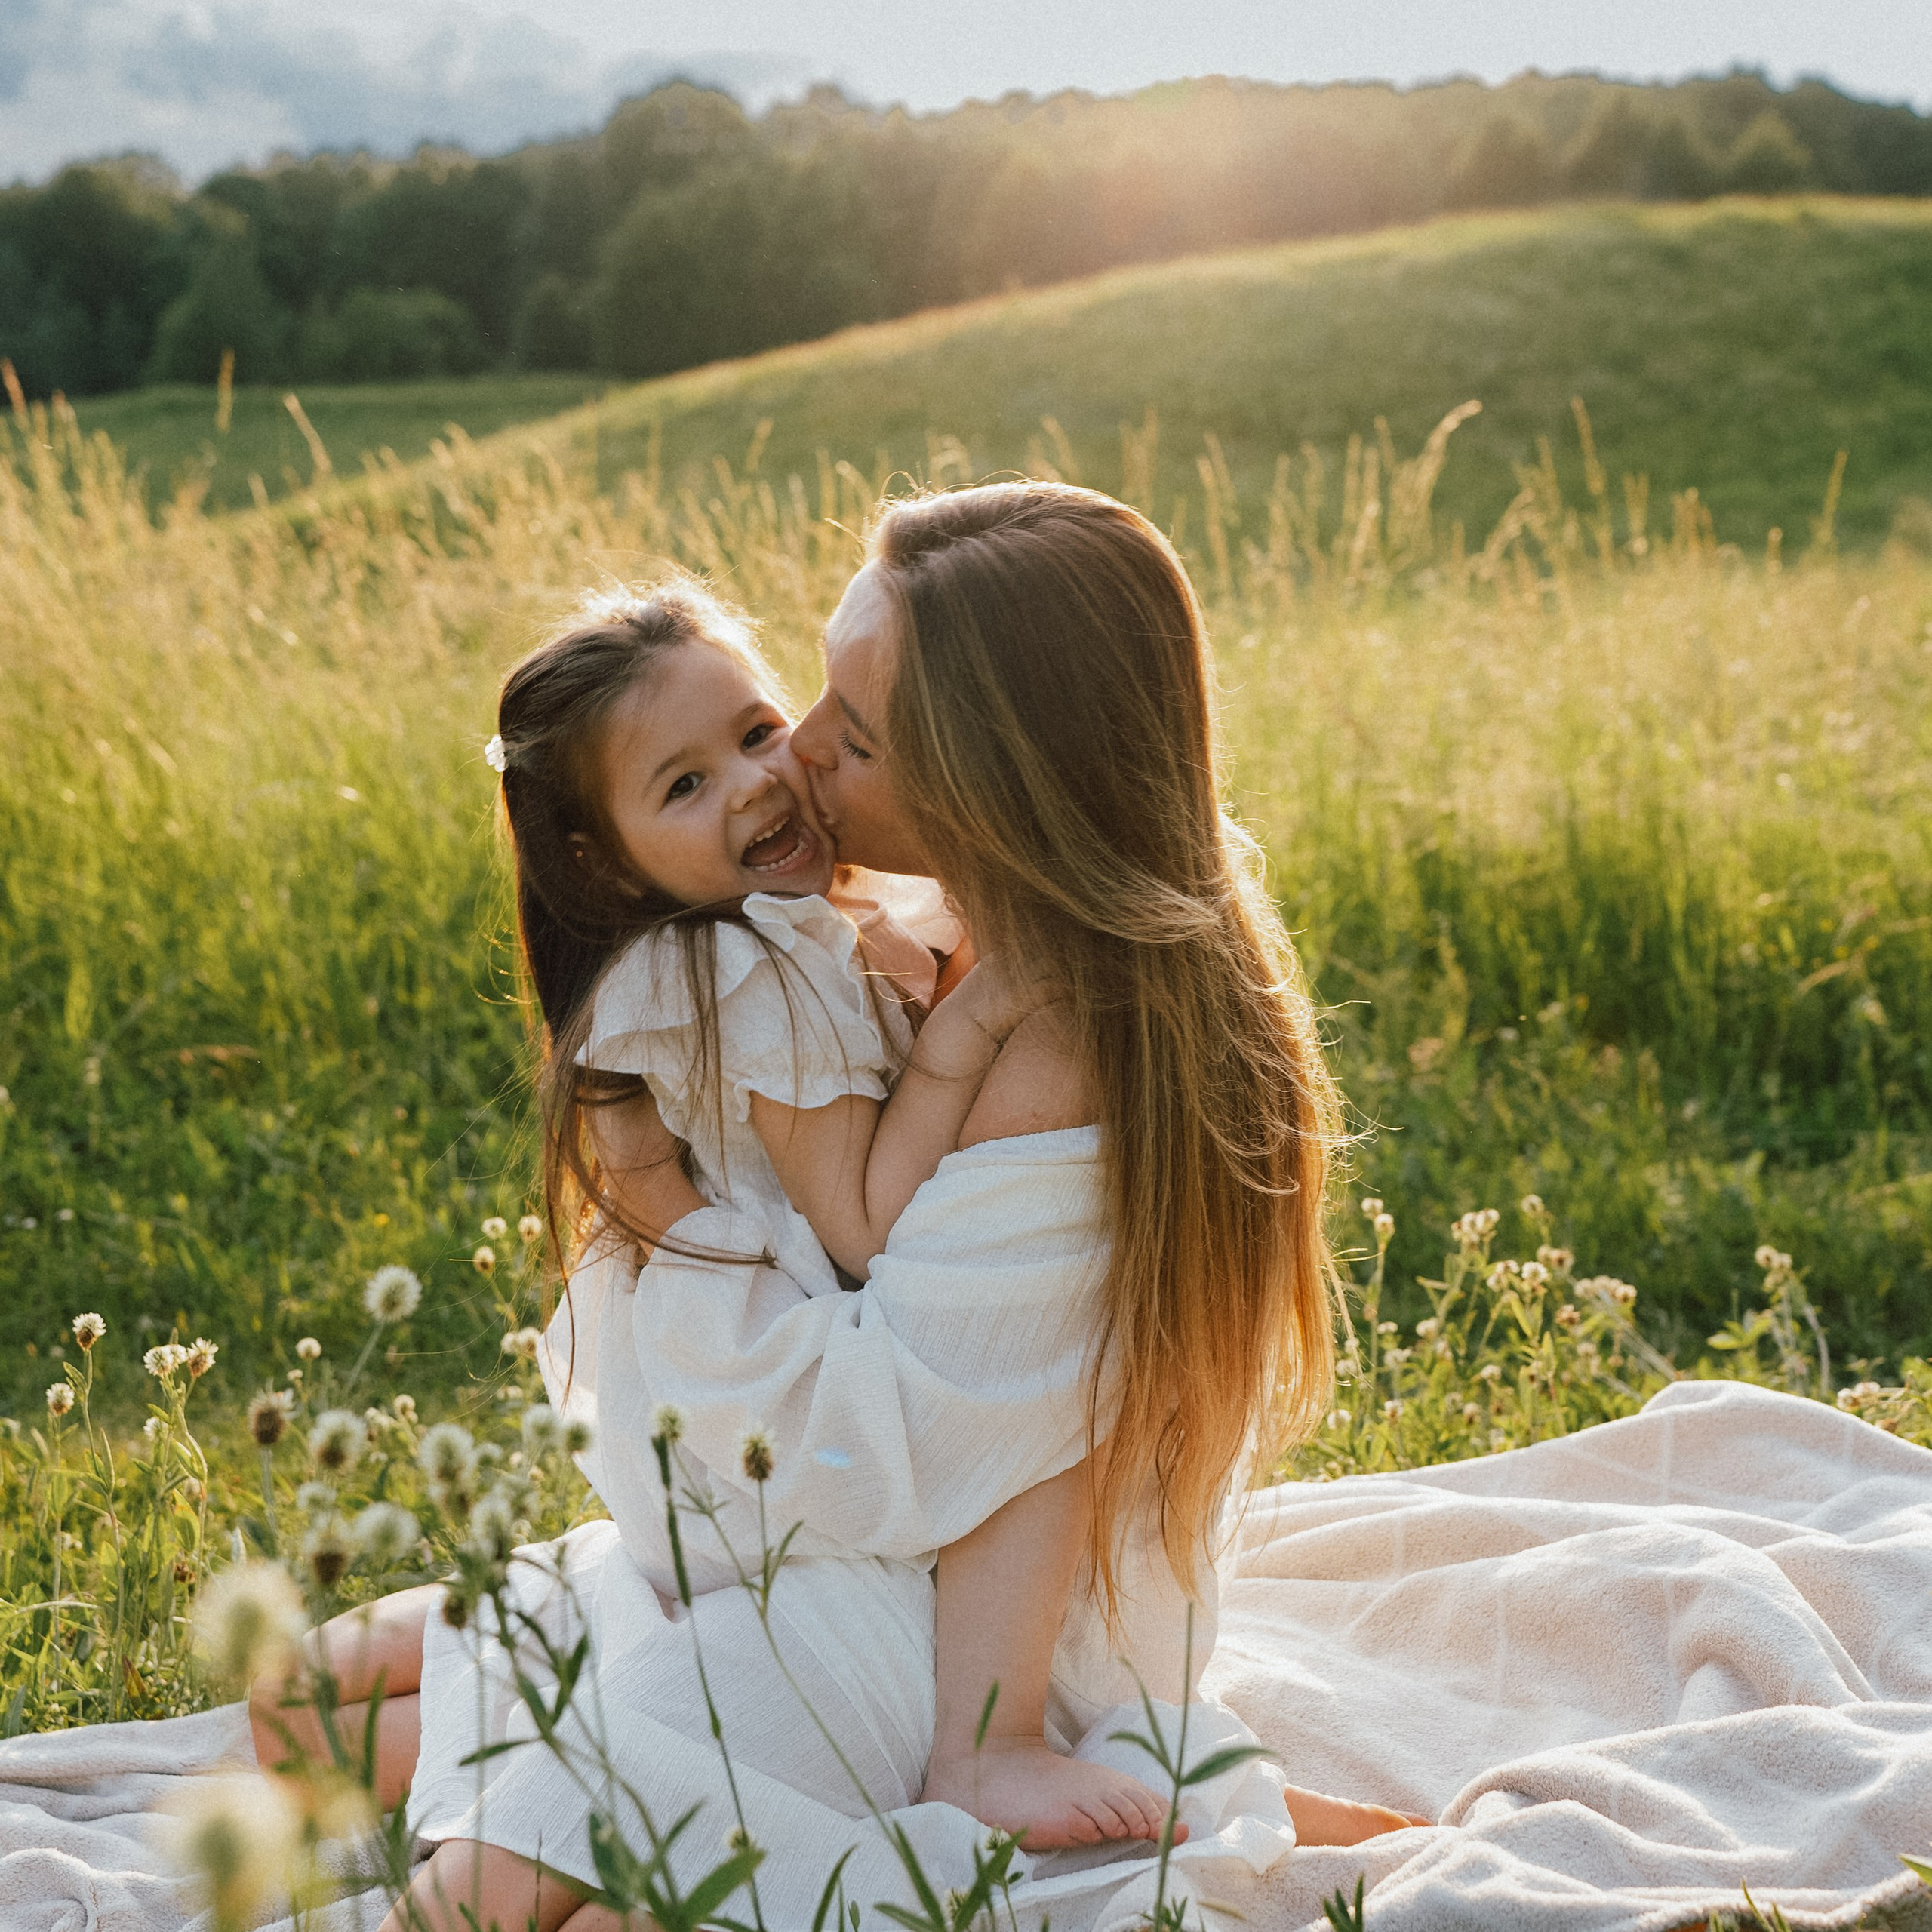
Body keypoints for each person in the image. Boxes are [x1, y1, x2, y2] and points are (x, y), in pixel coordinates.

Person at [266, 483, 1420, 1932]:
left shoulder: (1056, 1031)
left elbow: (914, 1432)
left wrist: (669, 1320)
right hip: (842, 1525)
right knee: (310, 1710)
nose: (797, 753)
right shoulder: (916, 932)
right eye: (803, 694)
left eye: (847, 734)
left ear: (999, 789)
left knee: (539, 1874)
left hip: (945, 1604)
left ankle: (870, 1790)